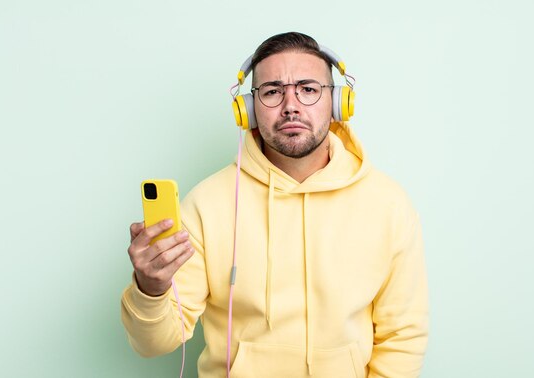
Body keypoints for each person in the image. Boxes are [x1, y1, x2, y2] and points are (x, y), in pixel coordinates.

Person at [121, 32, 429, 377]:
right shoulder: (206, 205)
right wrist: (150, 289)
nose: (291, 105)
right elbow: (155, 344)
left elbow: (403, 335)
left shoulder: (387, 203)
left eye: (308, 89)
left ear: (338, 103)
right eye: (272, 92)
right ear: (248, 109)